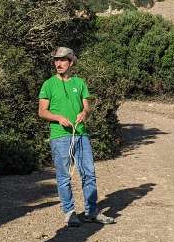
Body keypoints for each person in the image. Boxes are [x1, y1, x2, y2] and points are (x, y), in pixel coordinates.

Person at [37, 47, 115, 228]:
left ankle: (92, 212)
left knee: (89, 173)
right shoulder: (48, 84)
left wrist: (84, 113)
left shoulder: (80, 83)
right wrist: (58, 118)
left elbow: (87, 108)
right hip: (59, 136)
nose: (59, 63)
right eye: (56, 60)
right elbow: (42, 112)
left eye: (63, 60)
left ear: (71, 62)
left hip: (81, 135)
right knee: (64, 176)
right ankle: (69, 213)